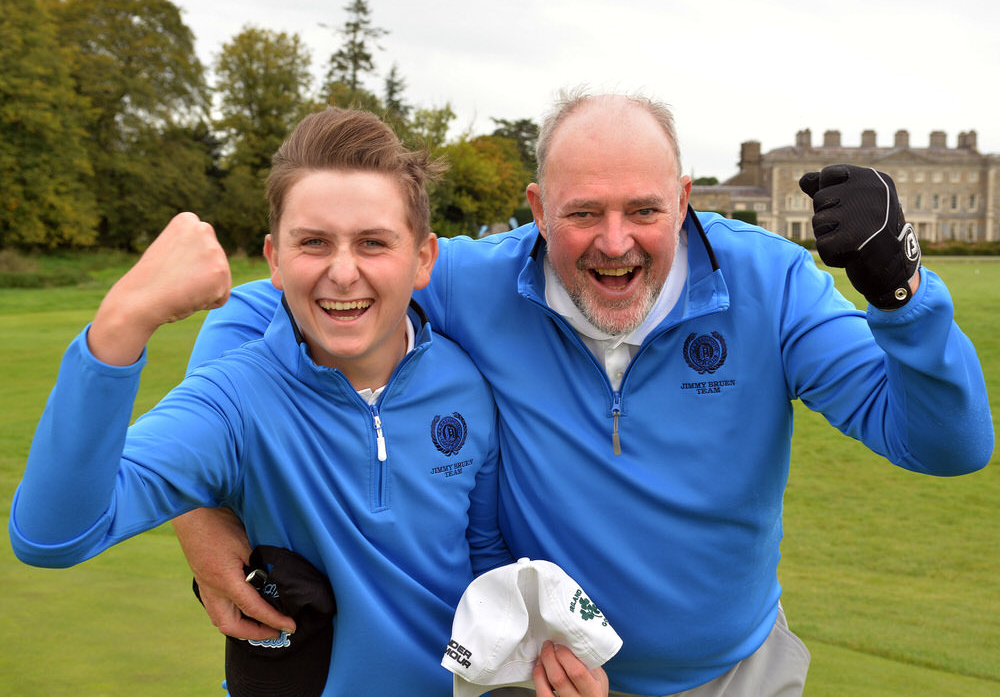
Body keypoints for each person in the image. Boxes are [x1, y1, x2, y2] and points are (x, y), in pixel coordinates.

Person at [173, 91, 993, 697]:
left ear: (685, 199)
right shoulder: (472, 278)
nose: (614, 241)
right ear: (536, 210)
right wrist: (201, 513)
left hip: (735, 673)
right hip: (542, 677)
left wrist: (904, 297)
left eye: (644, 209)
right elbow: (261, 307)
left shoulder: (771, 283)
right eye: (582, 213)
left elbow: (946, 445)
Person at [8, 107, 609, 697]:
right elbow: (53, 536)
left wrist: (540, 659)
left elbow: (483, 561)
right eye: (314, 243)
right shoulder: (232, 399)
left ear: (423, 259)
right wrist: (120, 326)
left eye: (373, 243)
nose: (343, 272)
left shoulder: (463, 383)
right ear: (274, 259)